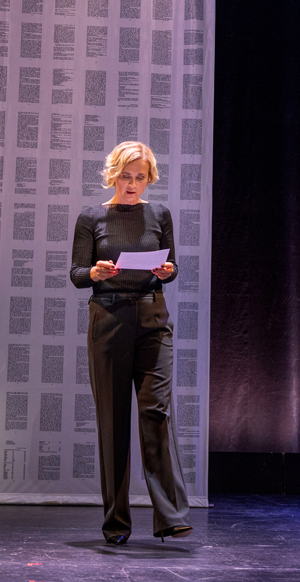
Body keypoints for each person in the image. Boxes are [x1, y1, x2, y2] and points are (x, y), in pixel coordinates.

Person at [70, 141, 191, 545]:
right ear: (113, 175)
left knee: (156, 412)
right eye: (126, 176)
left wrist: (168, 270)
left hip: (152, 315)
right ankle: (117, 523)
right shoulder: (92, 217)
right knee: (113, 421)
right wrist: (95, 273)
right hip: (109, 318)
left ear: (149, 178)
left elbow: (171, 267)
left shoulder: (159, 214)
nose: (132, 184)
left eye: (140, 177)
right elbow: (76, 273)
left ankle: (170, 516)